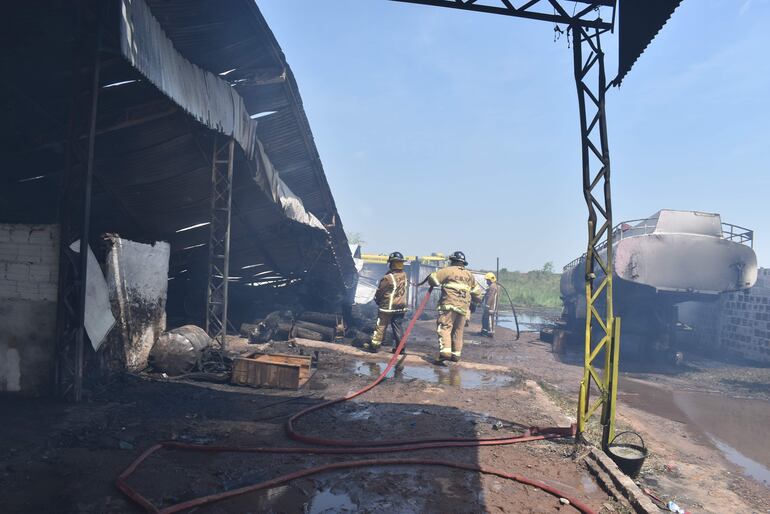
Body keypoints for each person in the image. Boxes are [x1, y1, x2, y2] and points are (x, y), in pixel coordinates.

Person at [427, 251, 482, 363]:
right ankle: (456, 355)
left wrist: (432, 278)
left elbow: (433, 279)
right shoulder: (469, 275)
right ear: (463, 263)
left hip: (449, 305)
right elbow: (477, 294)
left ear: (452, 261)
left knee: (444, 327)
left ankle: (445, 354)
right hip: (463, 309)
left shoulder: (448, 270)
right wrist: (474, 303)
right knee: (458, 331)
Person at [365, 251, 408, 353]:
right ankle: (400, 348)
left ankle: (374, 346)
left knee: (381, 325)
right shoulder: (404, 275)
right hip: (401, 306)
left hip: (387, 307)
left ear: (391, 264)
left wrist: (377, 300)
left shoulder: (388, 278)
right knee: (398, 326)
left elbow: (380, 292)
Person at [480, 272, 499, 338]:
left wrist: (487, 305)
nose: (487, 281)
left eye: (487, 280)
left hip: (490, 307)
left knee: (489, 319)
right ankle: (484, 332)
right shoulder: (491, 287)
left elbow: (491, 297)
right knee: (485, 319)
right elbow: (486, 296)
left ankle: (490, 333)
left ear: (491, 279)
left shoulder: (493, 287)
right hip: (489, 306)